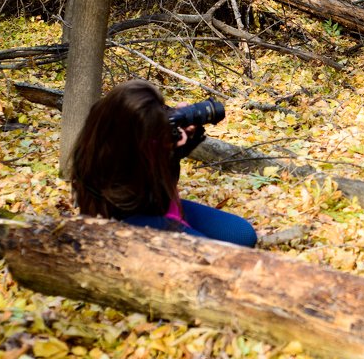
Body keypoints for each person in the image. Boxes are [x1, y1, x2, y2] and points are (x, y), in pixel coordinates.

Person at [70, 80, 258, 247]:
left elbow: (165, 195)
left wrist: (180, 144)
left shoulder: (135, 135)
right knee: (214, 256)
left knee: (242, 234)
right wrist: (169, 155)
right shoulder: (108, 158)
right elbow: (148, 203)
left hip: (162, 205)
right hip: (130, 221)